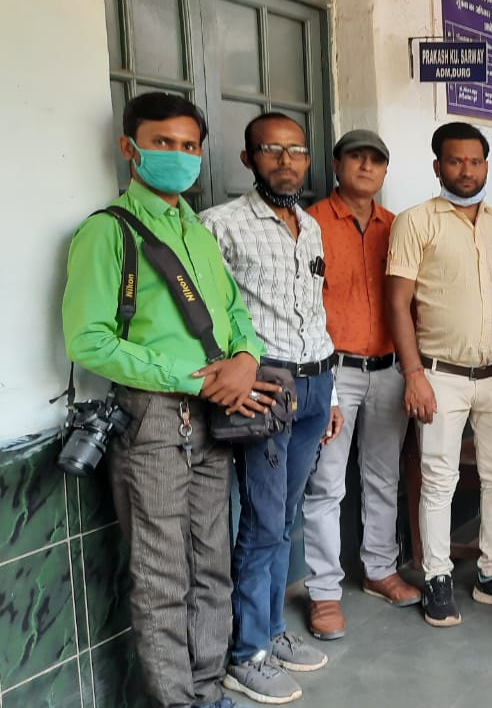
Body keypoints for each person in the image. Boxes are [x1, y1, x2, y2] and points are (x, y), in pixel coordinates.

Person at [63, 91, 270, 708]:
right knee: (161, 576)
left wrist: (245, 360)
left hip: (215, 417)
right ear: (130, 148)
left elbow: (234, 313)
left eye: (189, 145)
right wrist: (193, 378)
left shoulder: (196, 230)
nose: (178, 156)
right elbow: (89, 340)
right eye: (162, 143)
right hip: (153, 420)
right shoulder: (106, 232)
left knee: (211, 564)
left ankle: (207, 690)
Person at [202, 113, 344, 705]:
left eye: (297, 151)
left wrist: (332, 395)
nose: (286, 162)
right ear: (248, 158)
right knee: (262, 523)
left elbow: (316, 312)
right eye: (271, 150)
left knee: (284, 519)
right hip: (264, 388)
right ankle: (246, 654)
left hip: (315, 383)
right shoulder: (219, 226)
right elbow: (207, 317)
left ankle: (271, 629)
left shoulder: (308, 226)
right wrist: (227, 377)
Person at [385, 121, 492, 628]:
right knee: (439, 479)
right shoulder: (415, 222)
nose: (466, 170)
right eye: (455, 161)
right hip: (439, 375)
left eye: (475, 161)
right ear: (438, 166)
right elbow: (398, 302)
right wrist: (413, 373)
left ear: (486, 166)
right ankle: (437, 576)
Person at [302, 129, 418, 642]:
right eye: (356, 158)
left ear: (385, 170)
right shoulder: (310, 223)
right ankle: (324, 591)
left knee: (383, 477)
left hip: (389, 368)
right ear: (336, 164)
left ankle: (379, 569)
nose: (366, 167)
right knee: (326, 483)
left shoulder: (399, 227)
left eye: (376, 160)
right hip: (333, 372)